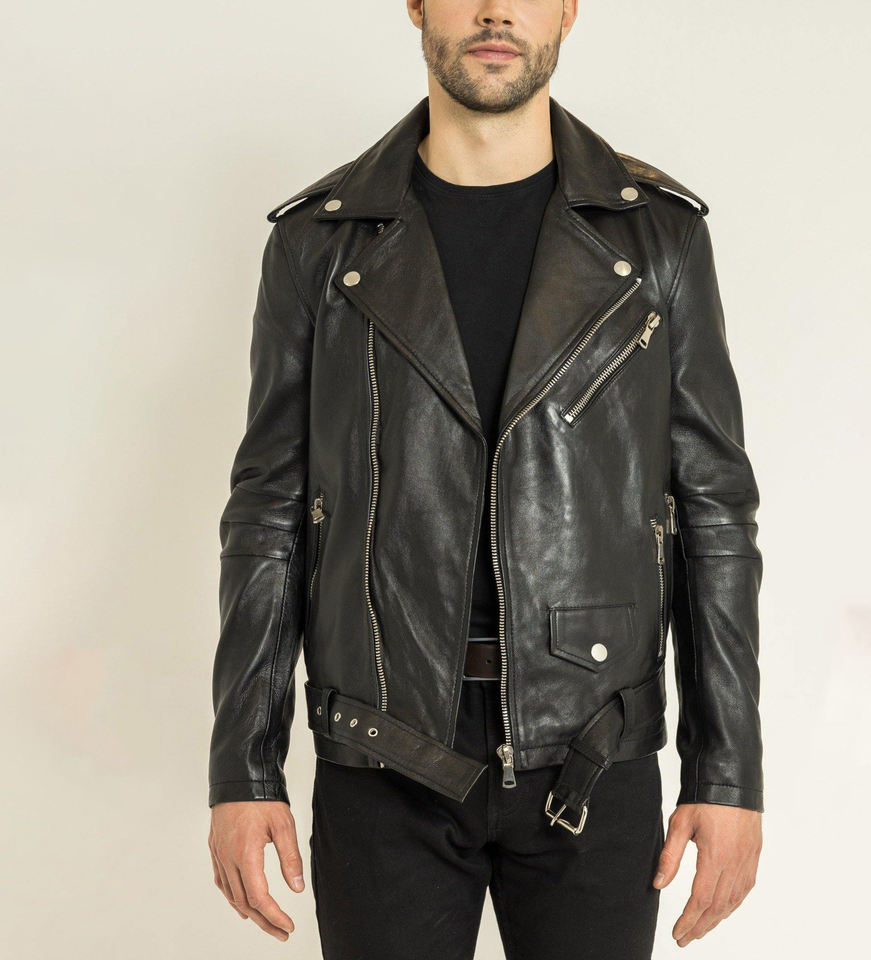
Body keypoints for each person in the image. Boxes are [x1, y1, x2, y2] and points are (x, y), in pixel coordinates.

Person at [207, 2, 764, 957]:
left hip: (595, 749)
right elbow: (268, 517)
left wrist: (729, 773)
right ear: (417, 5)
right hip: (382, 752)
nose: (497, 9)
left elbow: (714, 514)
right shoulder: (318, 246)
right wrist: (243, 768)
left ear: (569, 9)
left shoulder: (658, 239)